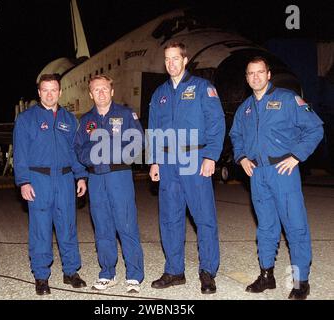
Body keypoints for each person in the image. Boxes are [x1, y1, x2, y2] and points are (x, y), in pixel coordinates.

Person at [229, 56, 324, 300]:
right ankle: (266, 275)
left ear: (269, 74)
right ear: (246, 78)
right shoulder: (245, 108)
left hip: (283, 172)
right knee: (266, 227)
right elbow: (235, 135)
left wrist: (297, 156)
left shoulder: (287, 99)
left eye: (260, 72)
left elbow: (315, 127)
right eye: (251, 73)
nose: (255, 77)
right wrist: (241, 158)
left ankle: (300, 281)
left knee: (295, 226)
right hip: (257, 174)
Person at [148, 42, 226, 294]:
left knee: (203, 218)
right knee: (170, 218)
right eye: (167, 59)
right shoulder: (159, 93)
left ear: (185, 60)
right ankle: (174, 271)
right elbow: (153, 130)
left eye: (175, 58)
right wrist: (154, 160)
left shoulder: (203, 88)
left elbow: (216, 123)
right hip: (168, 162)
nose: (171, 63)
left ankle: (207, 272)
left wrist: (211, 156)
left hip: (195, 158)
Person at [13, 73, 88, 295]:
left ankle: (71, 272)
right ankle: (41, 276)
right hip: (39, 180)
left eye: (53, 90)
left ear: (60, 92)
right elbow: (20, 154)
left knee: (68, 227)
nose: (49, 94)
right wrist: (24, 181)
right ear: (39, 93)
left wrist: (81, 176)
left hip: (65, 180)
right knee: (41, 230)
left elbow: (75, 152)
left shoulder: (69, 119)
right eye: (45, 90)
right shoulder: (26, 119)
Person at [74, 75, 144, 293]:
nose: (101, 93)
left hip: (119, 176)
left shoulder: (125, 114)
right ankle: (107, 273)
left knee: (126, 224)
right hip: (96, 178)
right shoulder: (86, 120)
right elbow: (78, 149)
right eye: (96, 90)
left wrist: (113, 153)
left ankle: (134, 276)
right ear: (90, 94)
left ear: (112, 91)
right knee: (102, 226)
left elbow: (138, 141)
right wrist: (93, 156)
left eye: (105, 89)